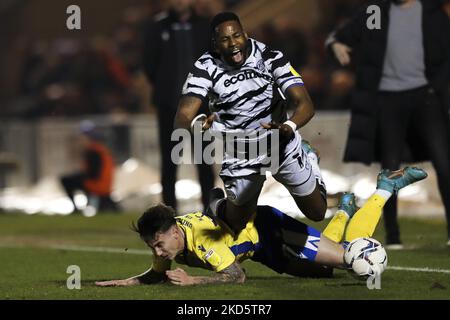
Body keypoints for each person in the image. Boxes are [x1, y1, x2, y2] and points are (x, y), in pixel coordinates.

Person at [95, 166, 427, 287]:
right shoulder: (167, 238)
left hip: (271, 227)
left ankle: (384, 187)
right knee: (324, 272)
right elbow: (155, 273)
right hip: (262, 250)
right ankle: (342, 213)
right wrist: (128, 282)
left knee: (350, 261)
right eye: (152, 247)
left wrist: (192, 280)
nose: (157, 252)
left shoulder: (202, 243)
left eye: (157, 244)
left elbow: (237, 277)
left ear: (174, 231)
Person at [174, 12, 326, 235]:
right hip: (241, 151)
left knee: (317, 213)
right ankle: (218, 203)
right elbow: (182, 118)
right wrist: (198, 125)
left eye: (236, 36)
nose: (233, 43)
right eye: (225, 39)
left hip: (281, 143)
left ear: (245, 35)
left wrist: (289, 126)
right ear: (216, 44)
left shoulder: (270, 57)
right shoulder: (204, 67)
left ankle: (309, 158)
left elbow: (305, 104)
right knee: (235, 225)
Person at [325, 0, 450, 247]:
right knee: (390, 168)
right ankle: (393, 236)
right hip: (388, 100)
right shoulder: (377, 12)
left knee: (444, 164)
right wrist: (336, 44)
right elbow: (342, 35)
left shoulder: (431, 12)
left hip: (425, 97)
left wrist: (435, 87)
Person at [142, 0, 215, 212]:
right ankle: (168, 213)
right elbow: (149, 65)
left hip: (201, 107)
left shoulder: (205, 25)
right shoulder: (158, 27)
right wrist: (167, 90)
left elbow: (215, 61)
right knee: (169, 161)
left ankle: (210, 211)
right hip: (169, 107)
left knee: (204, 160)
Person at [60, 121, 119, 214]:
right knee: (75, 179)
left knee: (66, 180)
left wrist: (80, 174)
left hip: (97, 185)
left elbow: (93, 174)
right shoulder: (101, 149)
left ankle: (76, 209)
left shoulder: (93, 151)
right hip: (105, 185)